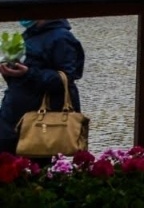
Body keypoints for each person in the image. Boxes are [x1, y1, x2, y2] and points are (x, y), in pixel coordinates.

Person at [0, 18, 85, 155]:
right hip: (11, 117)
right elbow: (22, 80)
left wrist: (28, 72)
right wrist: (9, 71)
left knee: (34, 169)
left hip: (40, 124)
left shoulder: (62, 38)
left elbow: (65, 80)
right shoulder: (28, 35)